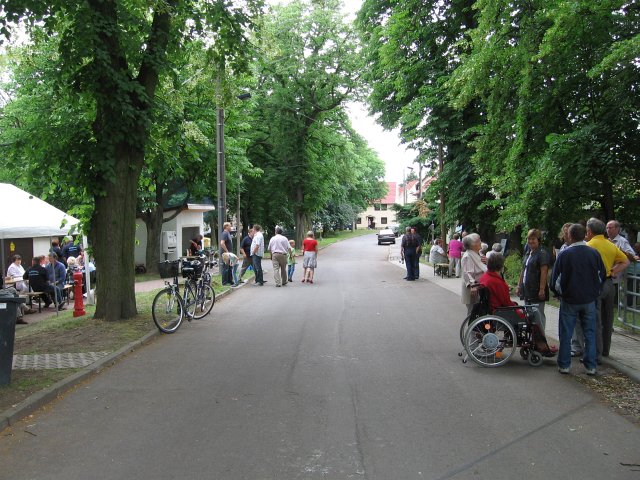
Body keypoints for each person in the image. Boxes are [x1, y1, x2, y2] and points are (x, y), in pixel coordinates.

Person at [551, 223, 605, 375]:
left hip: (569, 299)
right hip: (589, 299)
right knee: (590, 332)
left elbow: (554, 278)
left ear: (570, 236)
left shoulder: (565, 254)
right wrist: (595, 292)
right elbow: (601, 274)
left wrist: (558, 292)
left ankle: (564, 364)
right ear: (585, 235)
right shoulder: (594, 253)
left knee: (566, 332)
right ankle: (591, 366)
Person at [586, 217, 629, 359]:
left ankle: (597, 353)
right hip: (610, 283)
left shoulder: (589, 246)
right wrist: (613, 271)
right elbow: (625, 261)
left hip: (595, 284)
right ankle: (606, 351)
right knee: (608, 318)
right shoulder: (611, 245)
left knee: (596, 320)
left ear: (590, 231)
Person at [516, 229, 550, 329]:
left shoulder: (542, 253)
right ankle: (533, 340)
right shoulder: (528, 252)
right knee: (529, 315)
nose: (530, 241)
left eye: (533, 239)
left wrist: (542, 289)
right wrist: (519, 285)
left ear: (539, 240)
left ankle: (541, 340)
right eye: (529, 239)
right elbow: (523, 269)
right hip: (527, 289)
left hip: (536, 289)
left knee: (538, 316)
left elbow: (544, 272)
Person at [461, 233, 487, 316]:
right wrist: (472, 286)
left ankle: (475, 328)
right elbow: (467, 273)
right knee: (472, 313)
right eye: (478, 241)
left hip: (479, 286)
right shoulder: (468, 256)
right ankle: (471, 328)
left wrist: (487, 261)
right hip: (473, 288)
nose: (480, 242)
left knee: (477, 312)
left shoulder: (477, 252)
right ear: (472, 245)